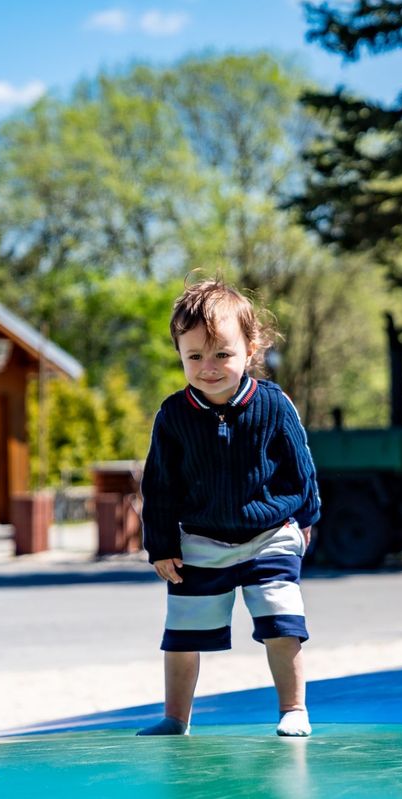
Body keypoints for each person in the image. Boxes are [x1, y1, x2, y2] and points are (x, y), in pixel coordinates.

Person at [139, 279, 321, 737]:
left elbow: (301, 466)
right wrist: (160, 543)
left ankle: (293, 709)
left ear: (250, 348)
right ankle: (175, 718)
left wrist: (306, 518)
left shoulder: (274, 404)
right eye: (194, 356)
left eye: (222, 354)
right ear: (179, 353)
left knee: (283, 622)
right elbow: (159, 484)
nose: (209, 367)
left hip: (269, 533)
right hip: (200, 539)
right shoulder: (173, 415)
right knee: (182, 635)